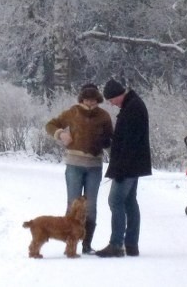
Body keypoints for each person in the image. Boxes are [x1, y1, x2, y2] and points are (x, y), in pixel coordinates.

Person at [45, 83, 113, 254]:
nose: (90, 103)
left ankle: (87, 244)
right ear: (82, 99)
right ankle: (70, 242)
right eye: (87, 99)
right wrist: (61, 134)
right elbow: (50, 124)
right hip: (74, 164)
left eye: (93, 100)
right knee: (73, 203)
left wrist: (108, 145)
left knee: (91, 206)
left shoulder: (104, 116)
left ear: (98, 100)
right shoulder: (72, 112)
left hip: (94, 166)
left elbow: (110, 140)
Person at [95, 79, 152, 258]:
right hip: (134, 165)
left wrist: (120, 169)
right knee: (129, 202)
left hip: (128, 166)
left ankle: (117, 244)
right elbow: (126, 138)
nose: (111, 104)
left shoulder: (132, 108)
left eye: (111, 100)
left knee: (115, 201)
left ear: (119, 94)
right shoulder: (132, 105)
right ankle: (131, 244)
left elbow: (130, 142)